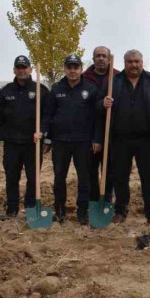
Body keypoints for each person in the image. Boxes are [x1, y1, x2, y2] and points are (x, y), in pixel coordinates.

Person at [96, 50, 150, 224]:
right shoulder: (113, 82)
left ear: (142, 62)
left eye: (137, 61)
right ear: (124, 62)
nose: (134, 65)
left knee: (149, 177)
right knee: (120, 177)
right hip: (120, 139)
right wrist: (102, 103)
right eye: (130, 62)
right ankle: (121, 211)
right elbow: (97, 105)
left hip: (147, 139)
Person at [0, 55, 49, 221]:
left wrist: (44, 133)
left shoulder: (40, 90)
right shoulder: (6, 91)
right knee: (11, 177)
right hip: (11, 143)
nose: (22, 70)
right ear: (14, 70)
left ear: (30, 69)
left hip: (33, 143)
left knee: (33, 177)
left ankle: (31, 208)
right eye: (19, 67)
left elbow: (47, 116)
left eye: (25, 67)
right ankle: (12, 209)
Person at [43, 55, 98, 224]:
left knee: (84, 178)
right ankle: (59, 211)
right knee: (59, 176)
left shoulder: (91, 89)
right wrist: (47, 139)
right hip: (60, 141)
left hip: (83, 141)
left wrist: (96, 139)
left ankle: (83, 212)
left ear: (81, 69)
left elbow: (97, 117)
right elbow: (48, 115)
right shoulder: (56, 89)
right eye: (69, 67)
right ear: (65, 69)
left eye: (76, 67)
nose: (72, 71)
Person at [83, 46, 120, 203]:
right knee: (91, 169)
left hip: (112, 131)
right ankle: (93, 201)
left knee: (110, 169)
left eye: (104, 56)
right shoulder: (84, 78)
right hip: (89, 131)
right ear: (93, 58)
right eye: (98, 56)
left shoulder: (118, 77)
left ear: (109, 58)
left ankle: (106, 200)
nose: (101, 59)